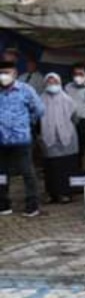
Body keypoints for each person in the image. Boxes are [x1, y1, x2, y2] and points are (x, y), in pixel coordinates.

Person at [0, 60, 44, 216]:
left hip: (22, 139)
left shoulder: (26, 90)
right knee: (2, 174)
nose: (3, 76)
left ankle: (32, 205)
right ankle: (3, 204)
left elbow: (39, 109)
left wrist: (27, 123)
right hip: (1, 139)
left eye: (7, 72)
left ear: (15, 74)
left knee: (27, 172)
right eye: (1, 73)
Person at [39, 73, 79, 205]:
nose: (52, 85)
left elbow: (75, 118)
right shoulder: (40, 100)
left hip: (67, 137)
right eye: (49, 82)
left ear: (60, 83)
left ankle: (66, 193)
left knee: (66, 165)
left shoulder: (67, 99)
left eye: (54, 82)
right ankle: (52, 194)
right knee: (51, 167)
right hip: (49, 138)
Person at [64, 63, 85, 169]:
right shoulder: (68, 87)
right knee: (75, 150)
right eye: (75, 74)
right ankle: (76, 172)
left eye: (81, 74)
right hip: (72, 122)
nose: (78, 76)